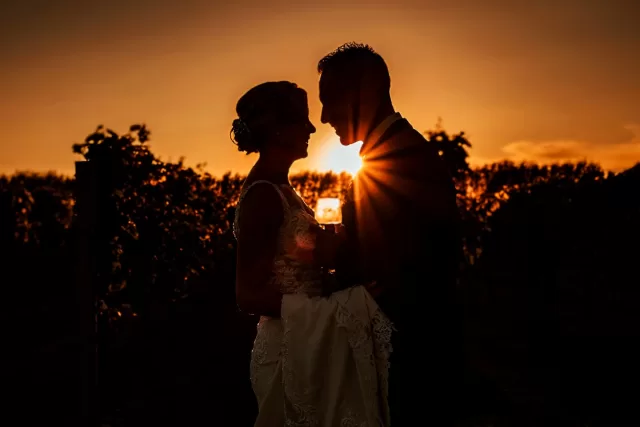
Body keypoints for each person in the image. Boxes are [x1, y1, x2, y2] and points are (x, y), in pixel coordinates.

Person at [318, 42, 464, 425]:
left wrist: (328, 274)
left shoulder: (400, 158)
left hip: (413, 355)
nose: (323, 116)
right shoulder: (390, 151)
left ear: (362, 94)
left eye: (329, 100)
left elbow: (401, 267)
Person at [232, 81, 393, 426]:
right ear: (278, 129)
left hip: (303, 344)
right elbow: (247, 295)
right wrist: (337, 307)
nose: (311, 128)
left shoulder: (281, 188)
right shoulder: (262, 195)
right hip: (287, 348)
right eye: (302, 120)